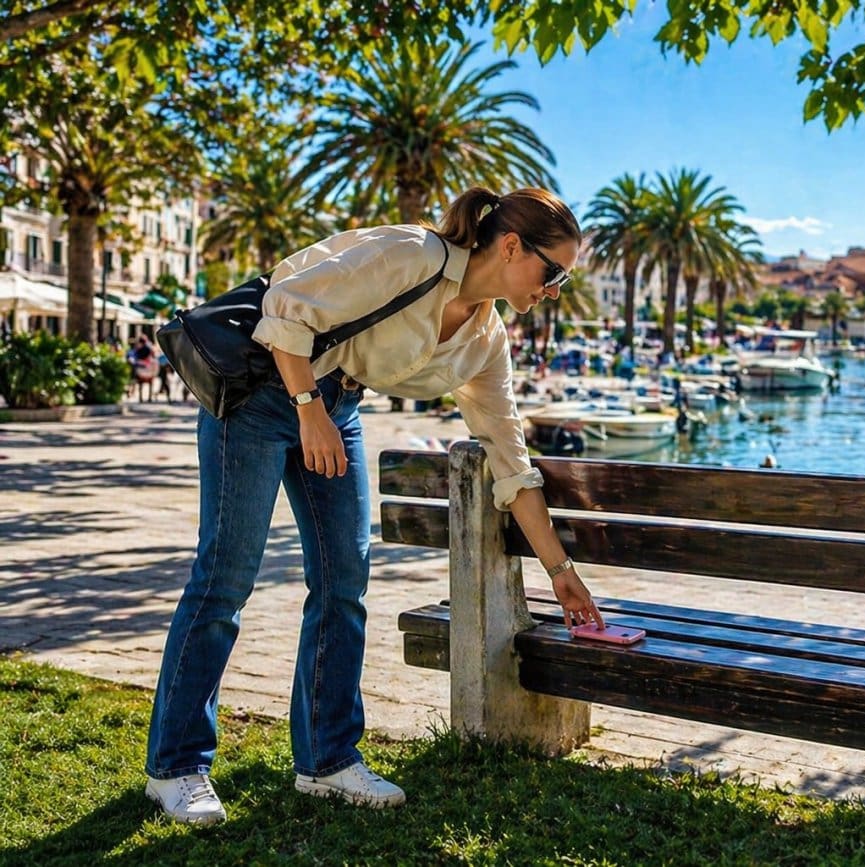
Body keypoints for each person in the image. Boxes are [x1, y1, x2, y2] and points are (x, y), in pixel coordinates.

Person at [144, 187, 605, 826]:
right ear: (508, 246)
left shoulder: (484, 342)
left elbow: (510, 460)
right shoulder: (409, 253)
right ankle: (177, 767)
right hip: (261, 397)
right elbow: (285, 305)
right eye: (552, 272)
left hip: (337, 408)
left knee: (344, 584)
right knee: (226, 578)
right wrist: (308, 412)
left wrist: (561, 574)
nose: (554, 289)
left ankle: (327, 761)